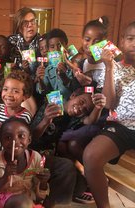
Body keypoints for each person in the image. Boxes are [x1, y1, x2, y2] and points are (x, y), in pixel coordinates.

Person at [83, 21, 135, 208]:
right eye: (130, 38)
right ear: (121, 40)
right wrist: (111, 68)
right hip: (120, 126)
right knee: (91, 156)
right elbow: (109, 103)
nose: (134, 43)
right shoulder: (112, 66)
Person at [0, 117, 50, 208]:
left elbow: (40, 197)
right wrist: (5, 177)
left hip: (28, 203)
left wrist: (43, 182)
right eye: (8, 137)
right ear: (1, 141)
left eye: (21, 136)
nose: (14, 141)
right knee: (21, 203)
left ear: (29, 140)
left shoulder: (36, 158)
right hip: (0, 204)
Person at [8, 7, 40, 116]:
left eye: (33, 21)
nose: (30, 25)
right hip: (14, 83)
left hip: (35, 84)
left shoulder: (43, 43)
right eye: (26, 23)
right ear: (19, 27)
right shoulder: (11, 42)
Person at [69, 16, 109, 90]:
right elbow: (74, 90)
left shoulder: (109, 66)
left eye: (96, 41)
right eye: (87, 40)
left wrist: (91, 83)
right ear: (82, 39)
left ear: (104, 42)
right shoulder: (80, 65)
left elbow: (110, 94)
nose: (90, 45)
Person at [36, 28, 72, 101]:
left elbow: (74, 88)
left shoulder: (73, 66)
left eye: (60, 45)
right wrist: (40, 80)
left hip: (70, 105)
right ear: (49, 50)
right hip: (53, 105)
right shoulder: (48, 69)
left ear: (66, 46)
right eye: (52, 47)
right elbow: (43, 91)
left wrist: (63, 76)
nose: (56, 49)